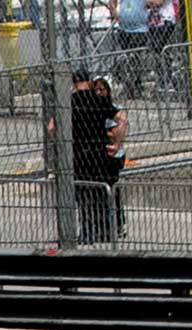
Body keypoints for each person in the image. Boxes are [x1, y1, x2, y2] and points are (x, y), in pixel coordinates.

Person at [67, 68, 115, 244]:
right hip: (99, 153)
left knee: (83, 194)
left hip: (79, 154)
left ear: (74, 83)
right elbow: (122, 119)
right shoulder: (98, 99)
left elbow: (51, 127)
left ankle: (87, 233)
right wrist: (117, 144)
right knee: (101, 192)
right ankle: (105, 231)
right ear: (88, 82)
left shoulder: (69, 102)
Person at [94, 75, 128, 238]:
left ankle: (119, 224)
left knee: (112, 190)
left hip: (113, 156)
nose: (99, 93)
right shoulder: (94, 110)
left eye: (102, 89)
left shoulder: (112, 108)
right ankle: (104, 226)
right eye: (96, 90)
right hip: (99, 156)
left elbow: (115, 133)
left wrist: (101, 133)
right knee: (100, 192)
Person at [107, 0, 149, 96]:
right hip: (124, 29)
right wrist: (115, 13)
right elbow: (112, 2)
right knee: (126, 58)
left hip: (140, 30)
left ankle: (137, 84)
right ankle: (127, 85)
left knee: (137, 59)